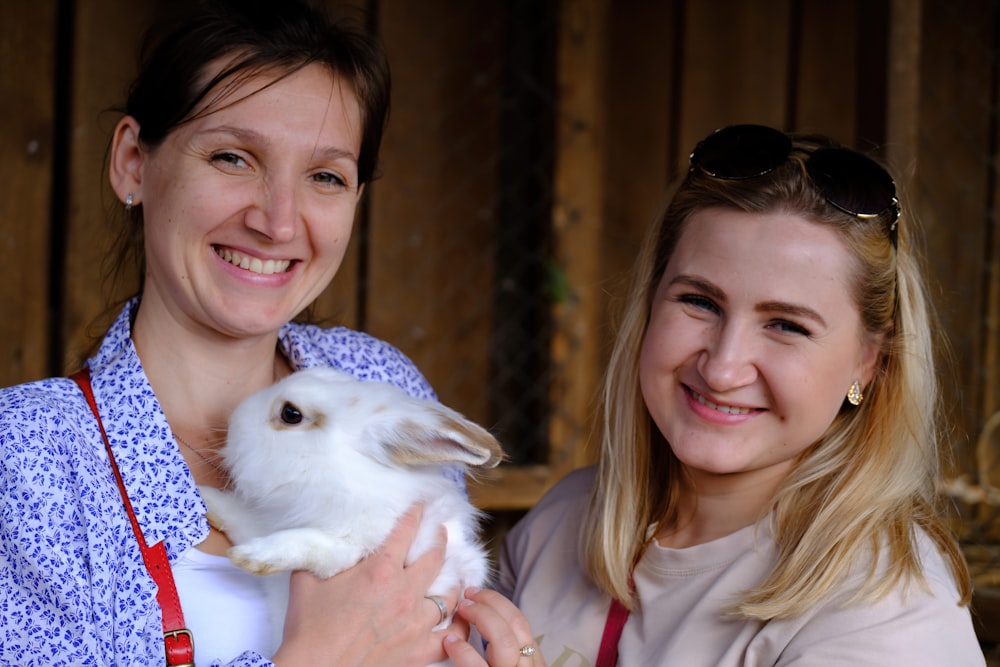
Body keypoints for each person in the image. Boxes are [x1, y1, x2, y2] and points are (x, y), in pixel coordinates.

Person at [0, 1, 484, 665]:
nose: (279, 222)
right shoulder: (27, 457)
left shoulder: (380, 383)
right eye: (233, 157)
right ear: (133, 162)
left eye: (324, 176)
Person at [469, 124, 988, 666]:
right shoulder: (564, 519)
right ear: (649, 303)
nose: (722, 368)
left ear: (870, 360)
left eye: (787, 325)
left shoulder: (889, 612)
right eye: (700, 302)